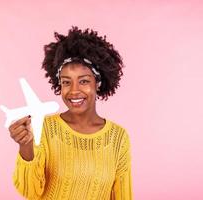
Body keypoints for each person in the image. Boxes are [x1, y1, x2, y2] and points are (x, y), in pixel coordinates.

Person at [8, 26, 133, 200]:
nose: (74, 91)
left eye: (83, 81)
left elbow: (122, 196)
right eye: (66, 82)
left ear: (97, 83)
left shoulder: (118, 137)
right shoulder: (43, 128)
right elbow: (30, 191)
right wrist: (25, 145)